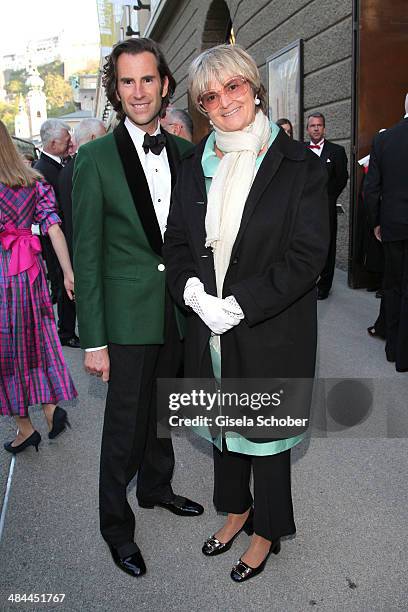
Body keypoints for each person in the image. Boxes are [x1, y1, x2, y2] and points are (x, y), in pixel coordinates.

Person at [163, 44, 329, 583]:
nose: (225, 101)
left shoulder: (298, 164)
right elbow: (178, 243)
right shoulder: (193, 165)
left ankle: (268, 529)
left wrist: (239, 304)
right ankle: (236, 510)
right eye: (211, 95)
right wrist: (194, 294)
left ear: (255, 89)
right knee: (223, 429)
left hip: (268, 323)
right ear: (203, 107)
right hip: (208, 324)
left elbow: (307, 257)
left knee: (265, 433)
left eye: (234, 86)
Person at [72, 37, 203, 579]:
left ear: (165, 84)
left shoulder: (183, 152)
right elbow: (89, 254)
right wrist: (94, 339)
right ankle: (116, 527)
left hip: (176, 310)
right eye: (127, 82)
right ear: (116, 90)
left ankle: (156, 488)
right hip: (124, 320)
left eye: (147, 79)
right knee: (123, 427)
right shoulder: (94, 158)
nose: (138, 91)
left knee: (164, 413)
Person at [0, 120, 77, 453]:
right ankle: (49, 407)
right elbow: (53, 228)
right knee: (38, 340)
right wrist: (68, 273)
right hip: (32, 274)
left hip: (3, 275)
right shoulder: (34, 181)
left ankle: (25, 427)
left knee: (7, 353)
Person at [364, 94, 408, 372]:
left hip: (393, 224)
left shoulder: (384, 140)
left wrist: (376, 222)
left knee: (393, 285)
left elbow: (371, 189)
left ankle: (393, 348)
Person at [34, 119, 79, 347]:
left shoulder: (56, 164)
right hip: (55, 237)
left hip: (62, 233)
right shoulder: (42, 170)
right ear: (52, 143)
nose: (70, 142)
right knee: (64, 284)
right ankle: (66, 331)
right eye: (66, 140)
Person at [306, 112, 348, 299]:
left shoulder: (337, 151)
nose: (316, 128)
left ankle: (324, 286)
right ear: (307, 129)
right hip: (304, 209)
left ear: (324, 128)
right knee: (305, 245)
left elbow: (341, 179)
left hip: (326, 208)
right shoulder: (301, 150)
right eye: (312, 125)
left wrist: (328, 198)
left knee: (328, 246)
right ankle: (305, 283)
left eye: (319, 125)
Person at [59, 119, 107, 263]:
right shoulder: (93, 167)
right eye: (104, 136)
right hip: (96, 251)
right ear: (93, 138)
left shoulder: (66, 170)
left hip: (77, 247)